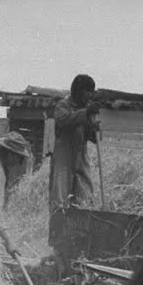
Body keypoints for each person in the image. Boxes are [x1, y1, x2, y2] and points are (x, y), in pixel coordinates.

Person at [47, 74, 100, 250]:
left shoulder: (88, 108)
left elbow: (94, 137)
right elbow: (65, 120)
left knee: (85, 196)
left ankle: (79, 242)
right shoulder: (63, 105)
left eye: (92, 92)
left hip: (81, 153)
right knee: (59, 199)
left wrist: (95, 127)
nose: (90, 96)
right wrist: (87, 113)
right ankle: (56, 243)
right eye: (87, 92)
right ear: (77, 91)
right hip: (63, 155)